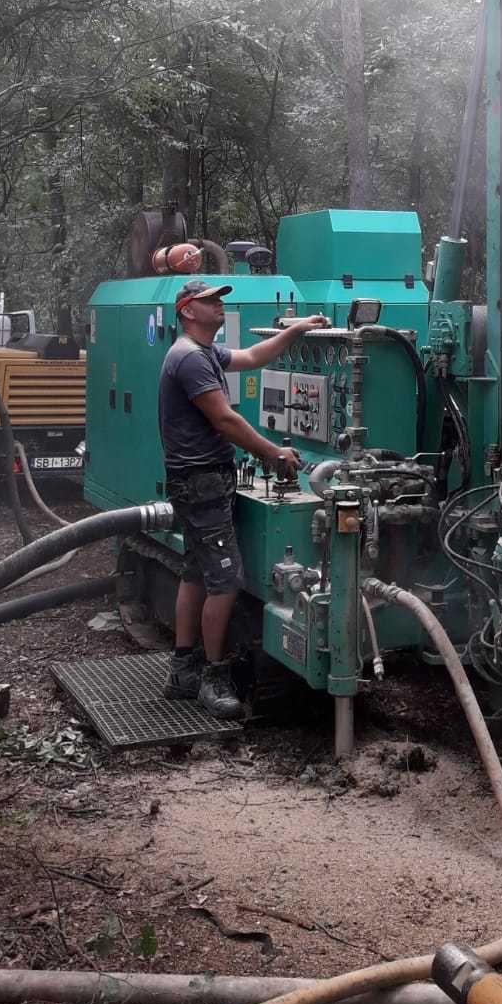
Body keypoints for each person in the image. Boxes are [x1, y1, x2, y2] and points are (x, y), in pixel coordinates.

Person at [158, 278, 327, 715]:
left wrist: (295, 330)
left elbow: (252, 356)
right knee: (226, 580)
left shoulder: (205, 354)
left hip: (201, 479)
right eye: (211, 301)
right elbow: (226, 420)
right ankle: (212, 678)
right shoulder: (190, 359)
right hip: (201, 481)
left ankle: (182, 669)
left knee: (196, 572)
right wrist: (272, 452)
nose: (219, 307)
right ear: (188, 311)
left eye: (219, 301)